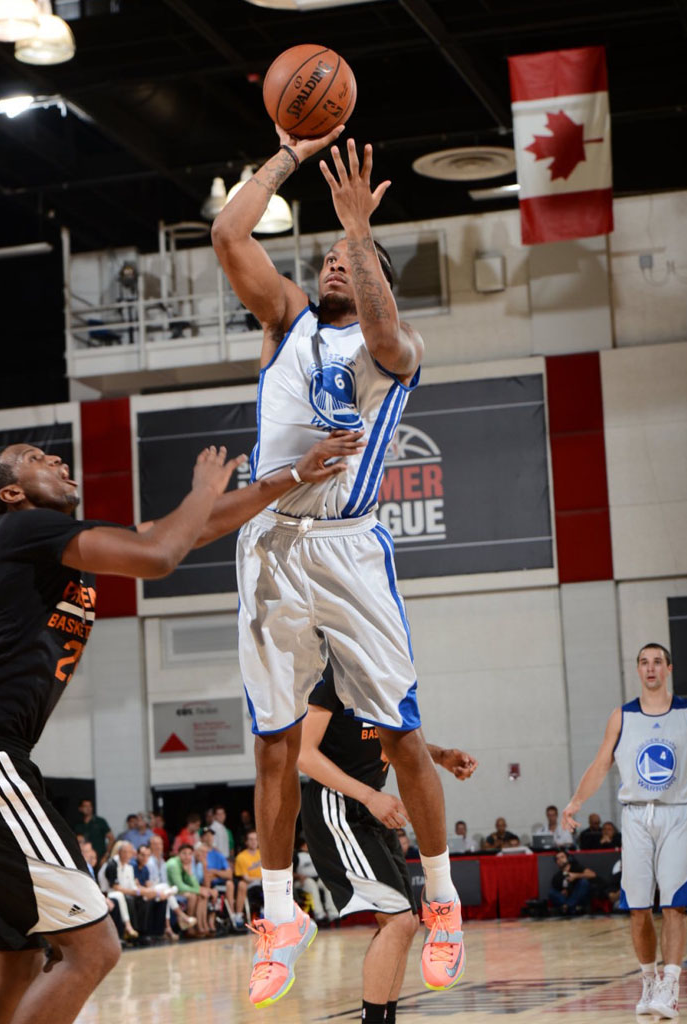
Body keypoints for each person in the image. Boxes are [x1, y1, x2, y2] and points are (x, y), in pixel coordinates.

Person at [212, 120, 462, 1006]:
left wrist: (360, 233)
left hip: (349, 549)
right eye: (324, 257)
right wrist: (287, 149)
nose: (330, 266)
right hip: (270, 538)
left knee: (398, 735)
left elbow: (389, 334)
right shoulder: (284, 322)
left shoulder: (392, 353)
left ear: (377, 281)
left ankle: (439, 896)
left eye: (350, 263)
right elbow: (228, 236)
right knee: (275, 741)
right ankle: (278, 911)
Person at [0, 432, 361, 1024]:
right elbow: (161, 554)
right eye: (36, 459)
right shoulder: (20, 530)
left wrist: (291, 477)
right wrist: (203, 488)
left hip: (3, 756)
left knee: (16, 959)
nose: (56, 460)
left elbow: (192, 528)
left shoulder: (57, 544)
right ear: (11, 492)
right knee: (94, 950)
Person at [298, 663, 477, 1024]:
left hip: (369, 807)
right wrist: (368, 797)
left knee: (406, 923)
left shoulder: (391, 674)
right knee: (397, 921)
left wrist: (440, 756)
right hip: (335, 804)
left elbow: (395, 740)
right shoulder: (336, 676)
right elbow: (303, 754)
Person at [562, 642, 687, 1019]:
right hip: (635, 816)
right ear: (638, 670)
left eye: (657, 663)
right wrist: (576, 802)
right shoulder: (622, 716)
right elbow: (601, 764)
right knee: (638, 909)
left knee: (676, 904)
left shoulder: (684, 712)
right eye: (644, 663)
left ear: (668, 669)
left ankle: (671, 984)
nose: (650, 669)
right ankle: (649, 980)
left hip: (677, 812)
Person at [547, 850, 595, 916]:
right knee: (552, 892)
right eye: (557, 859)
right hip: (567, 898)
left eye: (562, 857)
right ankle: (570, 907)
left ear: (568, 858)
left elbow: (592, 874)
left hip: (579, 896)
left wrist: (576, 875)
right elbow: (557, 893)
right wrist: (563, 891)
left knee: (584, 883)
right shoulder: (556, 876)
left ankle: (567, 906)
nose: (560, 860)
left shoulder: (576, 867)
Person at [234, 830, 263, 927]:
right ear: (246, 842)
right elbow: (246, 878)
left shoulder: (263, 854)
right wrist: (260, 878)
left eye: (255, 839)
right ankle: (239, 916)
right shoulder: (241, 857)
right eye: (251, 839)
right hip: (251, 885)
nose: (254, 842)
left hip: (264, 883)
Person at [73, 798, 113, 865]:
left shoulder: (100, 821)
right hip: (84, 859)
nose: (88, 808)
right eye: (85, 806)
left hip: (100, 858)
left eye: (90, 806)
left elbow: (111, 839)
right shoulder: (77, 825)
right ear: (80, 808)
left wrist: (106, 856)